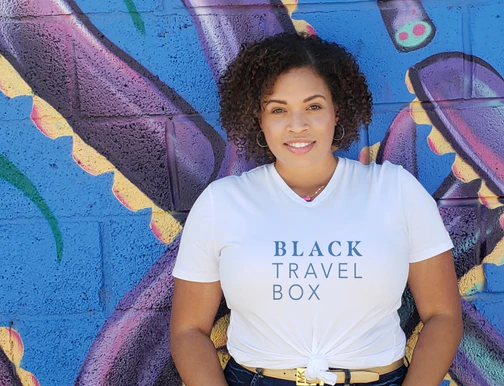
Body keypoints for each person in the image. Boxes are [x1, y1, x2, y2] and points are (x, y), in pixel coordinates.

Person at [169, 33, 462, 386]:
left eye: (313, 106)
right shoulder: (222, 202)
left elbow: (443, 315)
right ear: (258, 118)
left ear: (336, 112)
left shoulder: (395, 191)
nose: (297, 125)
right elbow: (189, 330)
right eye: (278, 109)